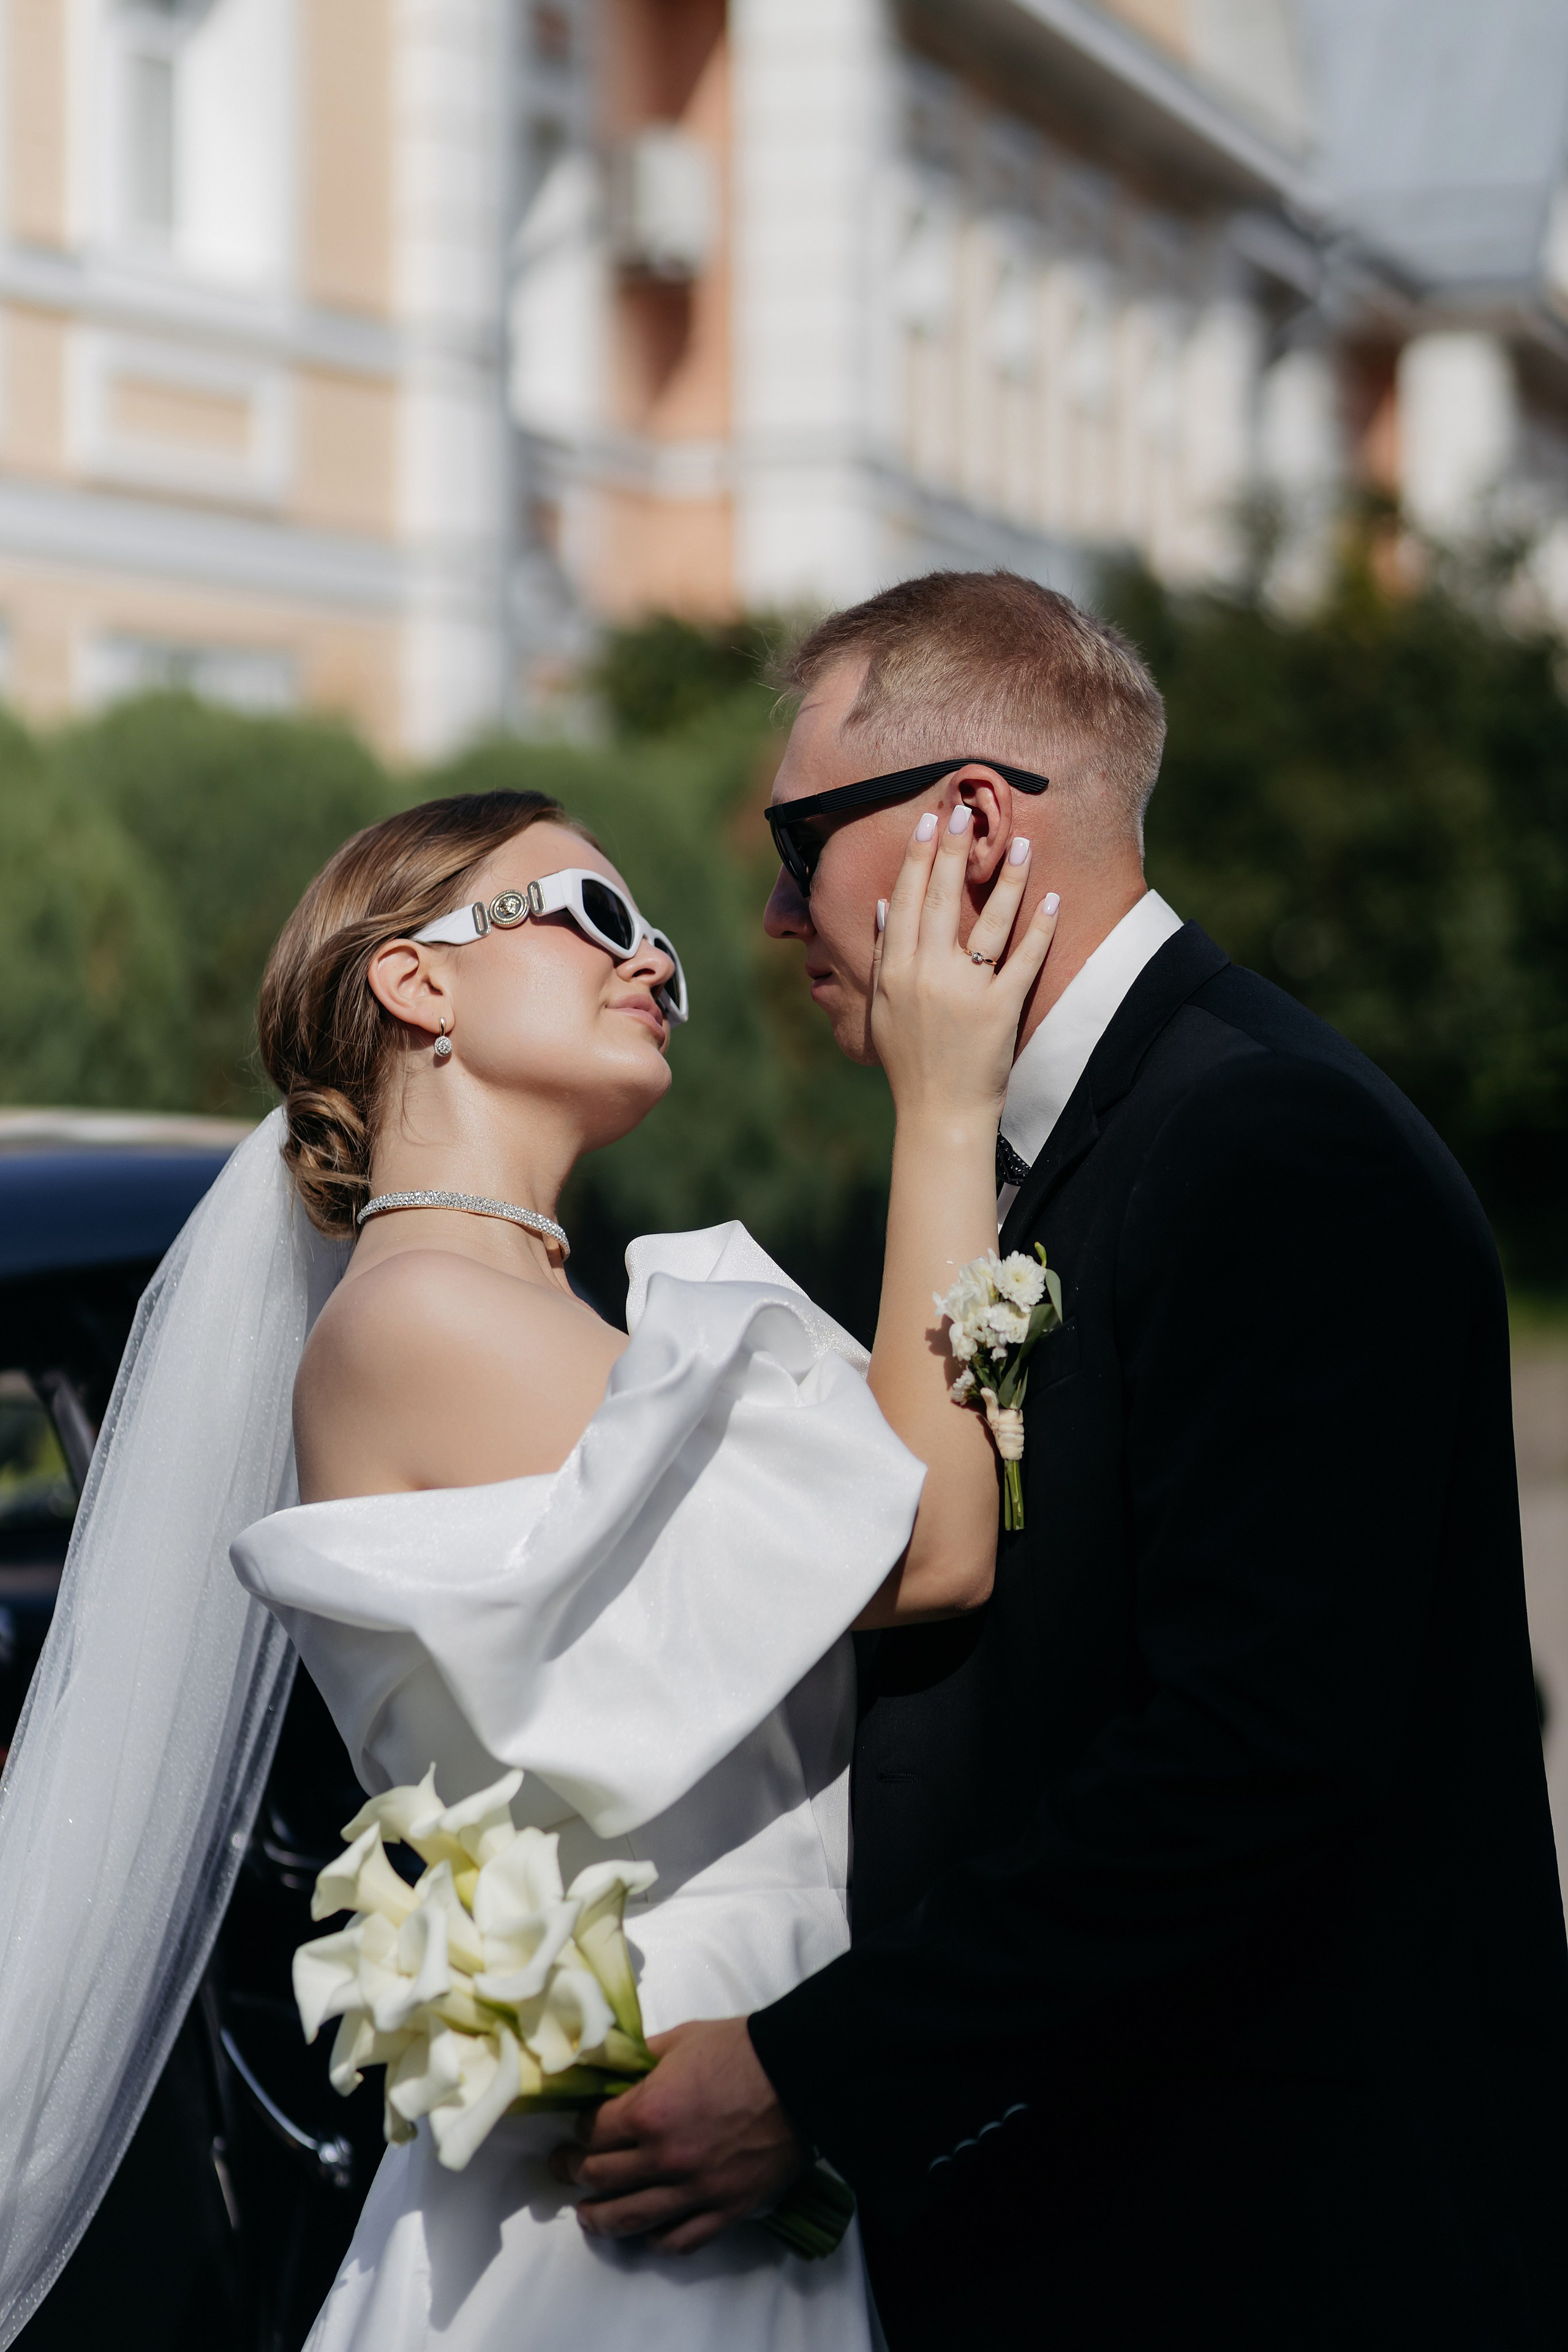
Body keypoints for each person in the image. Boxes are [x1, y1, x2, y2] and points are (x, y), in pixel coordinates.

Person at [560, 571, 1568, 2350]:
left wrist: (815, 2070)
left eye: (805, 841)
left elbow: (1253, 1762)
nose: (782, 914)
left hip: (1273, 2252)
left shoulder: (1268, 1144)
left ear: (967, 824)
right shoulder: (1043, 1149)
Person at [210, 780, 1054, 2352]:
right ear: (419, 980)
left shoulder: (549, 1322)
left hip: (720, 2095)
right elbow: (929, 1549)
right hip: (651, 2157)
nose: (655, 960)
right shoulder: (421, 1319)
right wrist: (945, 1105)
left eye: (657, 933)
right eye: (596, 917)